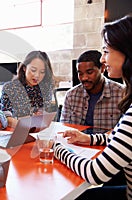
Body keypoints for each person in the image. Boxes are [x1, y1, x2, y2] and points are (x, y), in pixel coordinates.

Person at [54, 15, 132, 200]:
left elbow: (95, 173)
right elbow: (119, 137)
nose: (104, 59)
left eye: (106, 51)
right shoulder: (73, 94)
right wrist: (87, 139)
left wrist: (58, 150)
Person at [60, 50, 124, 129]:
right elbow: (64, 128)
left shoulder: (122, 93)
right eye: (80, 73)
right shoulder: (71, 95)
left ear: (102, 68)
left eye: (89, 72)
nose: (84, 78)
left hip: (108, 141)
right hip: (75, 141)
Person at [0, 50, 55, 128]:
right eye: (33, 70)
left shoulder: (45, 87)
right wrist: (24, 125)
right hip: (15, 129)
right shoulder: (10, 88)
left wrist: (43, 114)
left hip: (37, 130)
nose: (37, 75)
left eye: (42, 72)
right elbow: (5, 116)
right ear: (24, 68)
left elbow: (43, 112)